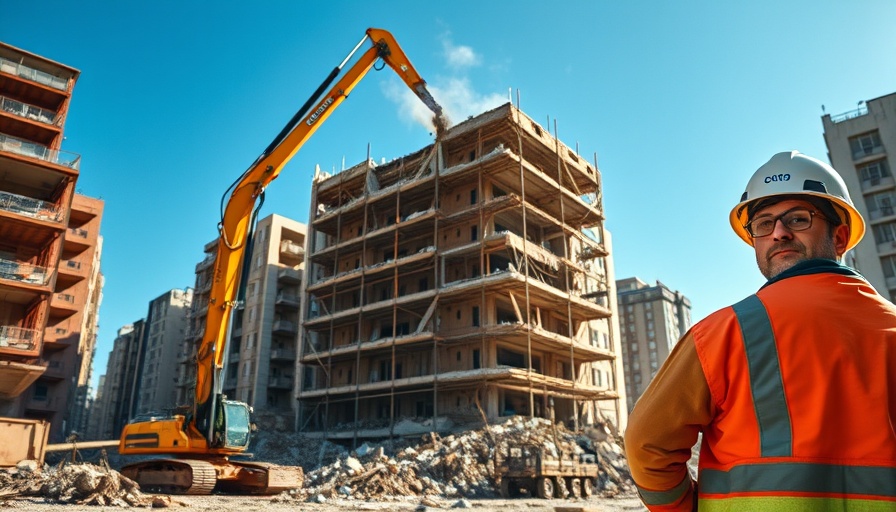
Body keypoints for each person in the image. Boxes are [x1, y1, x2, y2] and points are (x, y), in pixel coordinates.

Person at [624, 151, 896, 511]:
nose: (778, 233)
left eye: (798, 218)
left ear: (840, 236)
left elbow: (646, 444)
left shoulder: (722, 333)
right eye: (764, 224)